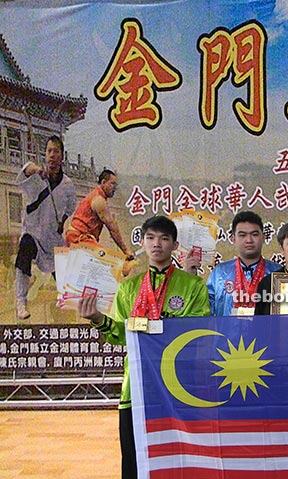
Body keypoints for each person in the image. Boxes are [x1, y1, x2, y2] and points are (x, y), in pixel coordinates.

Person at [77, 216, 210, 479]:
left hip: (179, 386)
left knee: (182, 456)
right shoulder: (128, 288)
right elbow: (119, 334)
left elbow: (196, 333)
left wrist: (148, 327)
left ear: (175, 245)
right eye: (150, 237)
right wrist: (97, 318)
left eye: (164, 238)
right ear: (142, 242)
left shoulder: (193, 286)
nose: (156, 244)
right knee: (134, 457)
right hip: (136, 385)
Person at [15, 135, 77, 320]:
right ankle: (21, 301)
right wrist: (37, 170)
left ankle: (67, 299)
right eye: (49, 151)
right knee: (24, 252)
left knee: (62, 277)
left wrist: (62, 221)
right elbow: (26, 169)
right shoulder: (36, 178)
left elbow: (71, 206)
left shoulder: (67, 185)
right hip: (33, 232)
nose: (52, 155)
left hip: (52, 237)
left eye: (55, 151)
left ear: (61, 156)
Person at [200, 211, 280, 315]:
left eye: (254, 234)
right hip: (226, 331)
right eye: (242, 235)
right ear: (233, 239)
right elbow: (204, 309)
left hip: (266, 331)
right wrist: (191, 275)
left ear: (263, 237)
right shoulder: (219, 272)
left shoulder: (277, 272)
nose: (249, 240)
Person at [65, 168, 134, 259]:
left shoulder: (98, 197)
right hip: (78, 238)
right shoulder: (99, 200)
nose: (115, 188)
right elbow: (112, 228)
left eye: (116, 185)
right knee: (106, 262)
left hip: (77, 238)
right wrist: (126, 251)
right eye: (112, 184)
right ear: (103, 182)